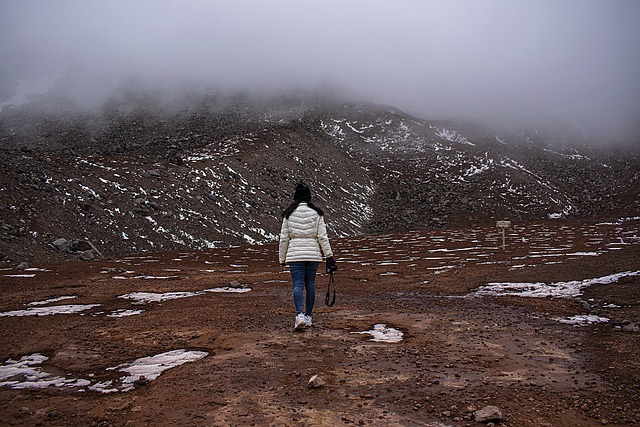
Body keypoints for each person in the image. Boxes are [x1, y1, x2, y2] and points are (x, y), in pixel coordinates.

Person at [279, 182, 335, 331]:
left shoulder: (289, 214)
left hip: (295, 254)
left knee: (297, 284)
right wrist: (329, 255)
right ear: (308, 197)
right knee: (310, 285)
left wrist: (282, 258)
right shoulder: (317, 213)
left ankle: (299, 315)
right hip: (312, 254)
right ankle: (309, 317)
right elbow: (322, 236)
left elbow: (284, 238)